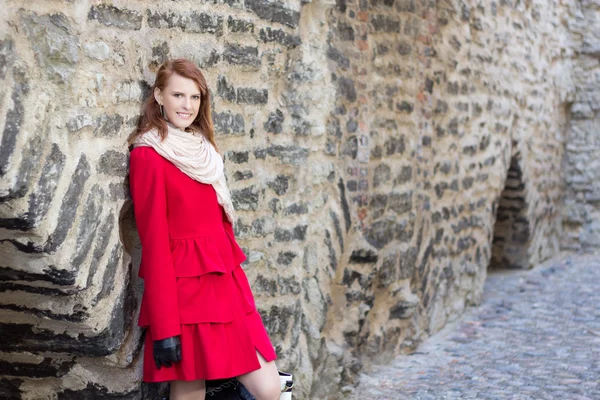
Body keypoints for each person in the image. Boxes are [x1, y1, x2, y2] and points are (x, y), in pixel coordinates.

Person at [127, 59, 281, 400]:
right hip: (184, 296)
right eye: (178, 95)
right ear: (159, 96)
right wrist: (166, 328)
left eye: (195, 97)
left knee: (269, 388)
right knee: (190, 394)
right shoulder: (148, 156)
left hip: (225, 285)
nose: (187, 105)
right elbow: (154, 245)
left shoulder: (205, 149)